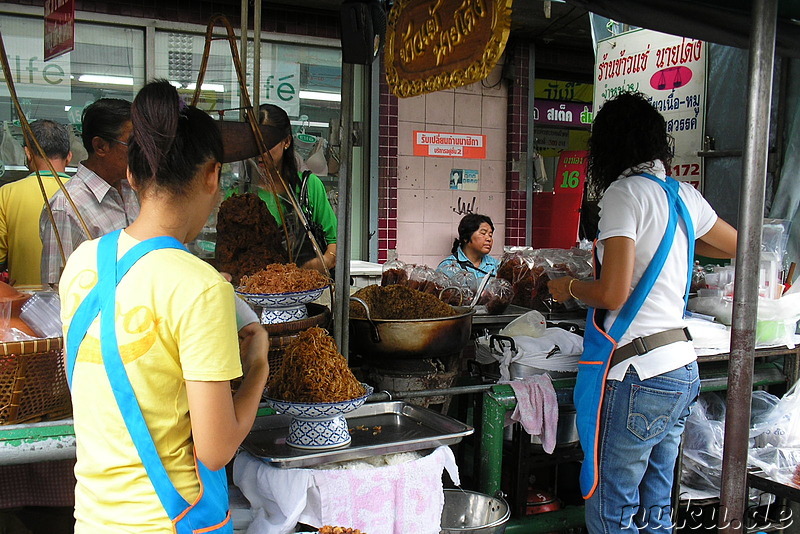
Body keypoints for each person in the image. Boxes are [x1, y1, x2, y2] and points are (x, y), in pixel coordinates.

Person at [59, 80, 269, 533]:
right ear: (212, 175)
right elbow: (216, 449)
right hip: (170, 521)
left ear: (132, 175)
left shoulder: (82, 263)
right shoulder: (200, 286)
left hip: (92, 518)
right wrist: (258, 365)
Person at [547, 92, 737, 534]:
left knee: (613, 510)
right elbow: (736, 244)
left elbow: (612, 293)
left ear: (609, 147)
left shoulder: (622, 194)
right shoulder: (682, 195)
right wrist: (681, 240)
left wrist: (567, 286)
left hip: (638, 374)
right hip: (681, 369)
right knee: (656, 511)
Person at [40, 98, 140, 286]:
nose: (141, 152)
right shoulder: (67, 207)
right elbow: (56, 288)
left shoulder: (132, 190)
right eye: (133, 143)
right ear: (100, 146)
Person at [243, 103, 337, 273]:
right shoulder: (240, 196)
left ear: (286, 141)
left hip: (303, 290)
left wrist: (325, 260)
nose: (259, 152)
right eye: (253, 143)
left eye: (267, 143)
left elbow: (335, 241)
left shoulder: (308, 188)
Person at [0, 120, 71, 286]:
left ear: (28, 153)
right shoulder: (86, 194)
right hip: (77, 302)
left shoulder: (7, 193)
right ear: (69, 156)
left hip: (25, 303)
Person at [437, 213, 499, 280]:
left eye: (490, 235)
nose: (489, 239)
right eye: (483, 233)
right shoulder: (448, 266)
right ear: (466, 237)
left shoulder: (496, 266)